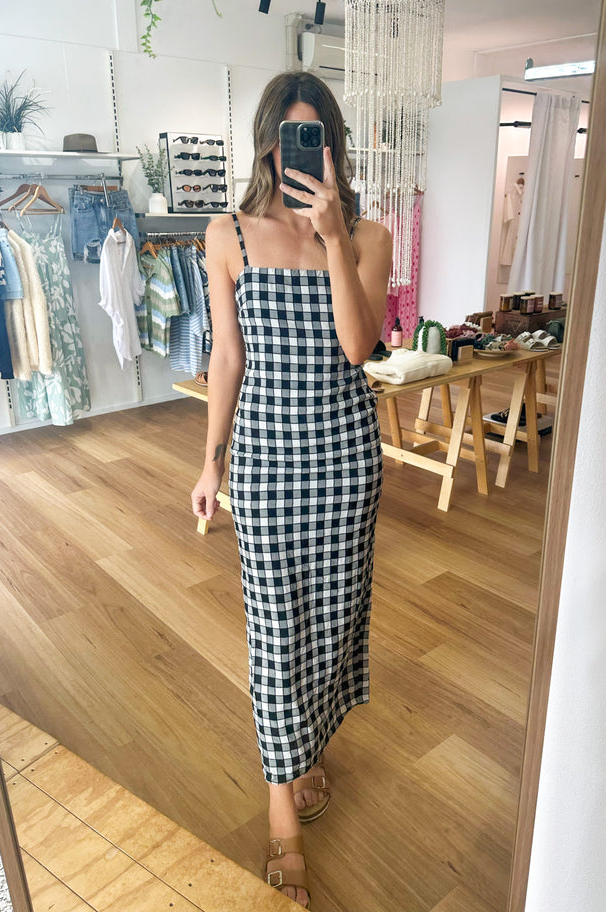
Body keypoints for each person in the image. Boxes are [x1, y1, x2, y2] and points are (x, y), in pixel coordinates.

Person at [191, 71, 392, 908]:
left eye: (318, 138)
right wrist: (212, 461)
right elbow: (226, 357)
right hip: (269, 468)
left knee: (334, 622)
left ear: (334, 148)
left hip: (346, 464)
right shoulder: (226, 235)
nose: (303, 154)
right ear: (268, 144)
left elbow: (358, 347)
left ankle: (307, 754)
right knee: (277, 633)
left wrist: (335, 236)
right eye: (290, 139)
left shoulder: (370, 236)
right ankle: (282, 809)